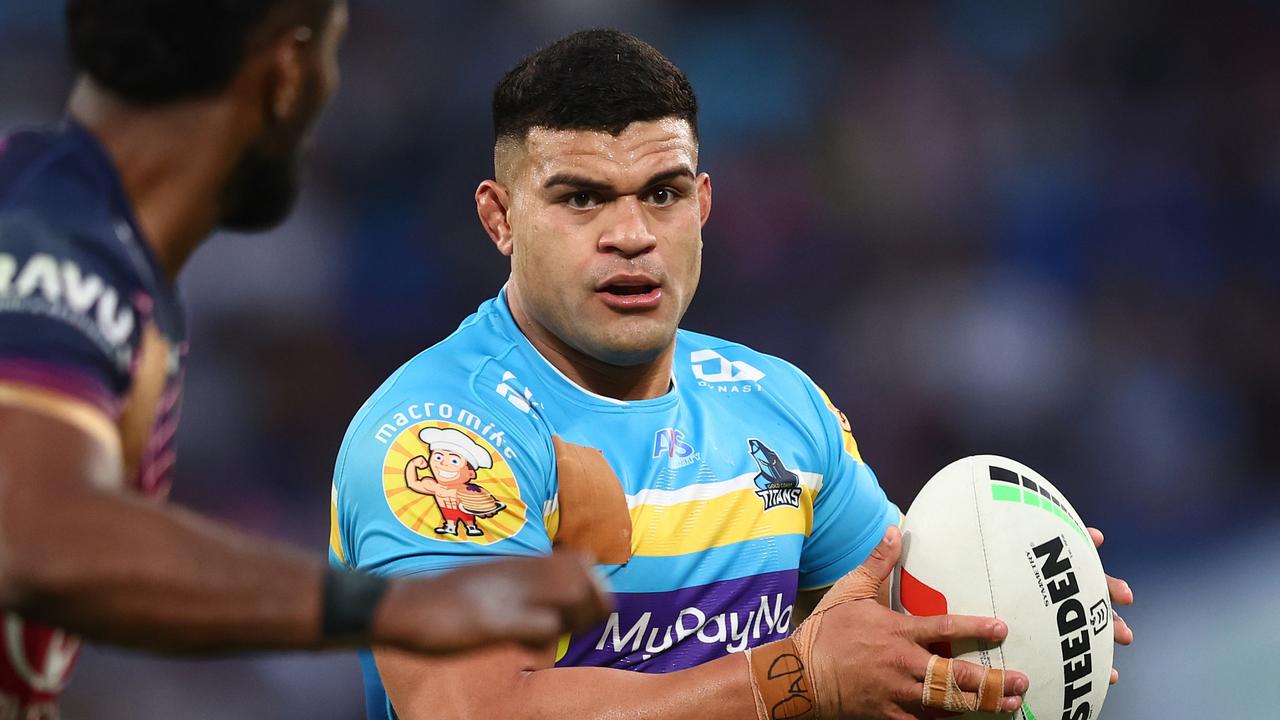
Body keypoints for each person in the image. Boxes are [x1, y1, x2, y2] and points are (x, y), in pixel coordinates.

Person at [331, 29, 1133, 720]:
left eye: (663, 193)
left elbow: (885, 631)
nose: (632, 235)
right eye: (582, 200)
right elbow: (479, 708)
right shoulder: (440, 440)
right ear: (500, 218)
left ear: (704, 204)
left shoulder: (780, 406)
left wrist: (1026, 606)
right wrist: (794, 680)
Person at [0, 2, 610, 715]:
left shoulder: (73, 228)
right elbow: (33, 535)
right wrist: (400, 606)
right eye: (332, 52)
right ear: (287, 71)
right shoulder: (51, 229)